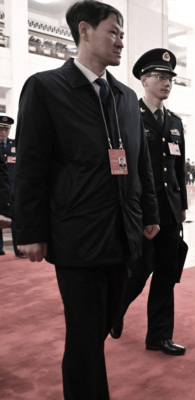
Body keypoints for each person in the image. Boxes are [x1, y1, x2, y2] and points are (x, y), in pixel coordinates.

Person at [14, 2, 160, 399]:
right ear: (84, 31)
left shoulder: (125, 97)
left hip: (123, 232)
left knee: (100, 326)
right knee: (84, 334)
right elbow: (30, 167)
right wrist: (30, 232)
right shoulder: (45, 88)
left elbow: (140, 163)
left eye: (122, 34)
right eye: (113, 32)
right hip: (77, 234)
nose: (120, 41)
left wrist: (149, 212)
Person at [109, 48, 188, 356]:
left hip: (169, 210)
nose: (167, 82)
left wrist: (181, 204)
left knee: (167, 274)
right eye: (160, 76)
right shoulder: (129, 116)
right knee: (138, 272)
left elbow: (178, 169)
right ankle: (115, 311)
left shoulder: (175, 122)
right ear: (144, 80)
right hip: (140, 210)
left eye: (170, 78)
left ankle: (159, 335)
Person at [0, 116, 24, 257]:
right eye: (0, 129)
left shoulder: (15, 145)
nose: (3, 132)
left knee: (17, 219)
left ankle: (19, 248)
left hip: (13, 189)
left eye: (6, 129)